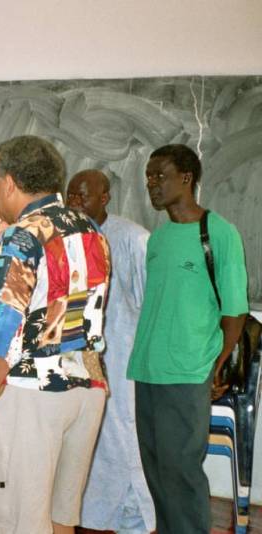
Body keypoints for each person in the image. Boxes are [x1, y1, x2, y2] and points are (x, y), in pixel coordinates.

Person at [0, 136, 110, 534]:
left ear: (9, 183)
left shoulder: (21, 238)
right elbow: (58, 297)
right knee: (58, 518)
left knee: (15, 521)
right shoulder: (91, 229)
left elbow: (4, 330)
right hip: (86, 388)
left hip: (29, 394)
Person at [127, 144, 248, 534]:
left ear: (186, 178)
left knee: (181, 468)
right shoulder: (159, 240)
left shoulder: (219, 233)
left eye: (159, 175)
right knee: (155, 467)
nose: (152, 184)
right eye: (148, 177)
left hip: (187, 368)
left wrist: (217, 364)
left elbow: (235, 311)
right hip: (147, 366)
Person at [66, 169, 155, 533]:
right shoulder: (66, 237)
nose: (74, 203)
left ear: (104, 198)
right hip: (78, 362)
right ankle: (93, 519)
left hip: (122, 361)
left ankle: (136, 522)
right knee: (88, 445)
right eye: (70, 195)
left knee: (123, 441)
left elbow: (152, 305)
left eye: (82, 196)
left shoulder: (133, 239)